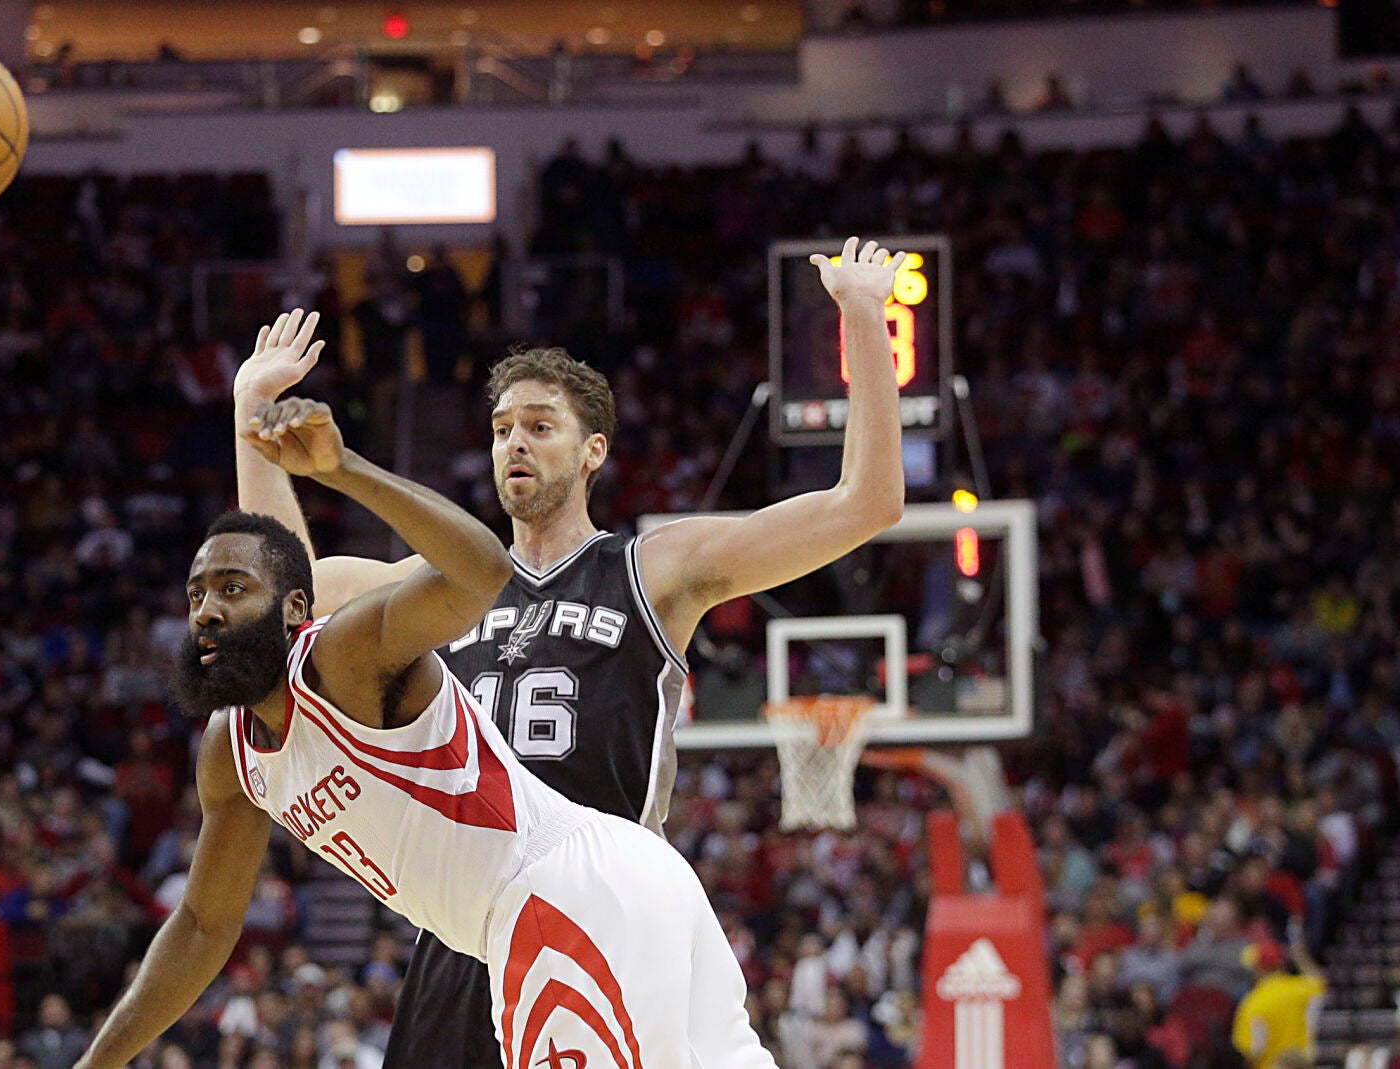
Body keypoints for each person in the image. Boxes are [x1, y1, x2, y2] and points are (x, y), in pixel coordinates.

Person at [231, 237, 908, 1069]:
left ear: (594, 451)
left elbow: (865, 503)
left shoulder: (652, 567)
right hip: (466, 925)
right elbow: (281, 608)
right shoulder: (433, 582)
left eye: (540, 426)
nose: (514, 442)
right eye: (502, 428)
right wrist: (249, 418)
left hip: (599, 907)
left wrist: (864, 316)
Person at [75, 400, 773, 1069]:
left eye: (233, 589)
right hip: (615, 880)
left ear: (296, 609)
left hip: (560, 892)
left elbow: (482, 570)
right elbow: (202, 925)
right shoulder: (231, 755)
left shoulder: (340, 657)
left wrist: (345, 468)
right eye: (196, 593)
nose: (207, 611)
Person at [1231, 935, 1327, 1069]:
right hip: (1303, 1064)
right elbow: (1320, 981)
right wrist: (1301, 956)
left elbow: (1252, 1051)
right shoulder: (1300, 988)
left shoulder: (1252, 1002)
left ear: (1258, 969)